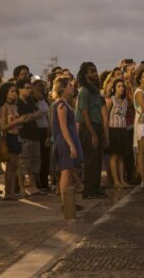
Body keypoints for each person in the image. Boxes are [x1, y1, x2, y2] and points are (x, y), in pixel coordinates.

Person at [75, 62, 109, 199]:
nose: (95, 73)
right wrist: (93, 134)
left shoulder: (95, 90)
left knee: (97, 160)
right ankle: (88, 190)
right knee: (90, 160)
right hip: (88, 127)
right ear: (85, 75)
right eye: (91, 71)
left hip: (97, 125)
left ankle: (95, 188)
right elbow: (85, 113)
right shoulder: (84, 91)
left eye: (95, 71)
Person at [51, 77, 83, 211]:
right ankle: (66, 204)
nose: (72, 87)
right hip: (64, 141)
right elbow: (63, 127)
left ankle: (69, 202)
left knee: (69, 171)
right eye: (69, 85)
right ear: (63, 88)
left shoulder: (66, 103)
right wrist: (71, 145)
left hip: (69, 138)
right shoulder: (61, 105)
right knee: (66, 171)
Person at [0, 82, 27, 200]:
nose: (14, 94)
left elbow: (16, 124)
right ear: (5, 94)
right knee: (11, 166)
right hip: (9, 137)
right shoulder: (4, 108)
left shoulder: (15, 106)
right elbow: (3, 127)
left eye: (15, 91)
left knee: (15, 165)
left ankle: (12, 191)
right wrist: (17, 122)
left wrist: (21, 121)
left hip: (17, 136)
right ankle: (8, 192)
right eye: (12, 92)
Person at [16, 78, 43, 196]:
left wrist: (31, 116)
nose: (29, 90)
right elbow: (22, 118)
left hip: (34, 134)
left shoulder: (30, 100)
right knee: (23, 163)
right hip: (24, 136)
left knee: (34, 161)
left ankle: (33, 186)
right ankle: (21, 187)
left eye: (29, 88)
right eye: (26, 88)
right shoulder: (17, 103)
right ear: (19, 89)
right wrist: (33, 116)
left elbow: (39, 113)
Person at [105, 79, 130, 188]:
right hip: (113, 129)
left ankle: (122, 180)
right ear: (114, 88)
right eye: (119, 86)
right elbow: (105, 117)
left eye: (122, 86)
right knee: (114, 156)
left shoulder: (125, 101)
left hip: (123, 129)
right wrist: (106, 133)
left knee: (121, 156)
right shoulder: (111, 100)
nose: (121, 88)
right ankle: (116, 181)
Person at [32, 79, 51, 191]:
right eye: (39, 86)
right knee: (37, 158)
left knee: (45, 158)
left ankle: (44, 183)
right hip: (36, 131)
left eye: (43, 86)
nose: (41, 88)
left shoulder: (46, 100)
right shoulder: (32, 101)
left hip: (45, 130)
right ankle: (37, 183)